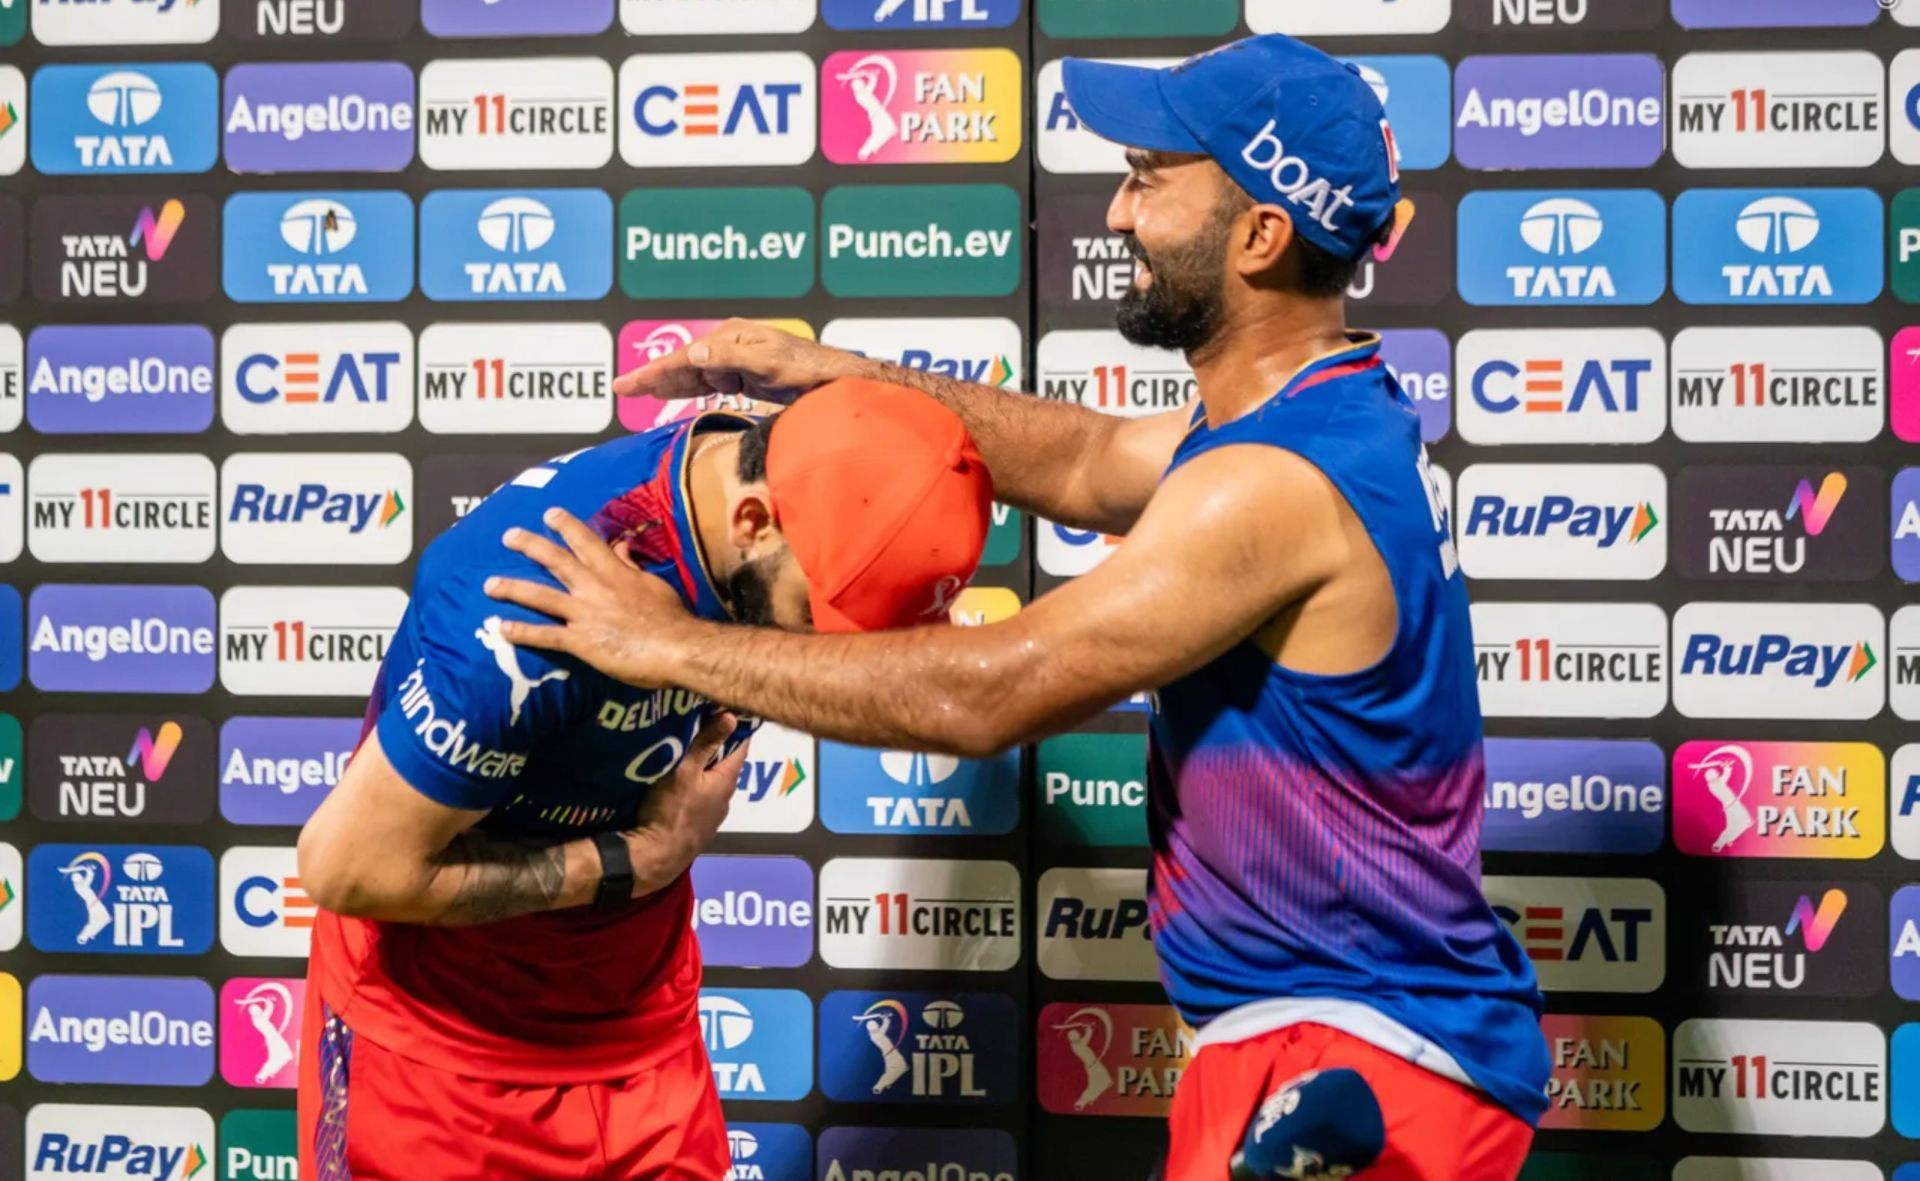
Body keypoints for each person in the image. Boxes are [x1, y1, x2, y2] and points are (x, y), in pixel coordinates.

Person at [484, 33, 1550, 1181]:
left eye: (1150, 177)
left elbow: (983, 691)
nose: (1114, 214)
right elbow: (1090, 459)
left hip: (1354, 1062)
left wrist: (667, 644)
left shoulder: (1268, 485)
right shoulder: (1313, 419)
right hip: (1347, 1052)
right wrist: (829, 373)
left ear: (1259, 233)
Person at [293, 380, 993, 1180]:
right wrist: (632, 862)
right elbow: (345, 866)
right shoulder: (516, 620)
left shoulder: (797, 471)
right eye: (824, 617)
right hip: (441, 1053)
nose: (838, 650)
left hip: (643, 1025)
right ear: (752, 521)